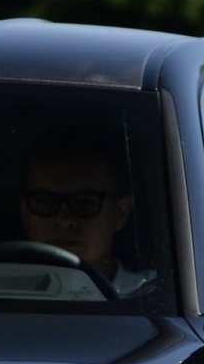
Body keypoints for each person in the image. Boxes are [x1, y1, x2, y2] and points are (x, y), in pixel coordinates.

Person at [18, 128, 154, 299]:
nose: (64, 220)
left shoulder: (149, 297)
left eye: (85, 202)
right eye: (46, 201)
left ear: (120, 213)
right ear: (25, 212)